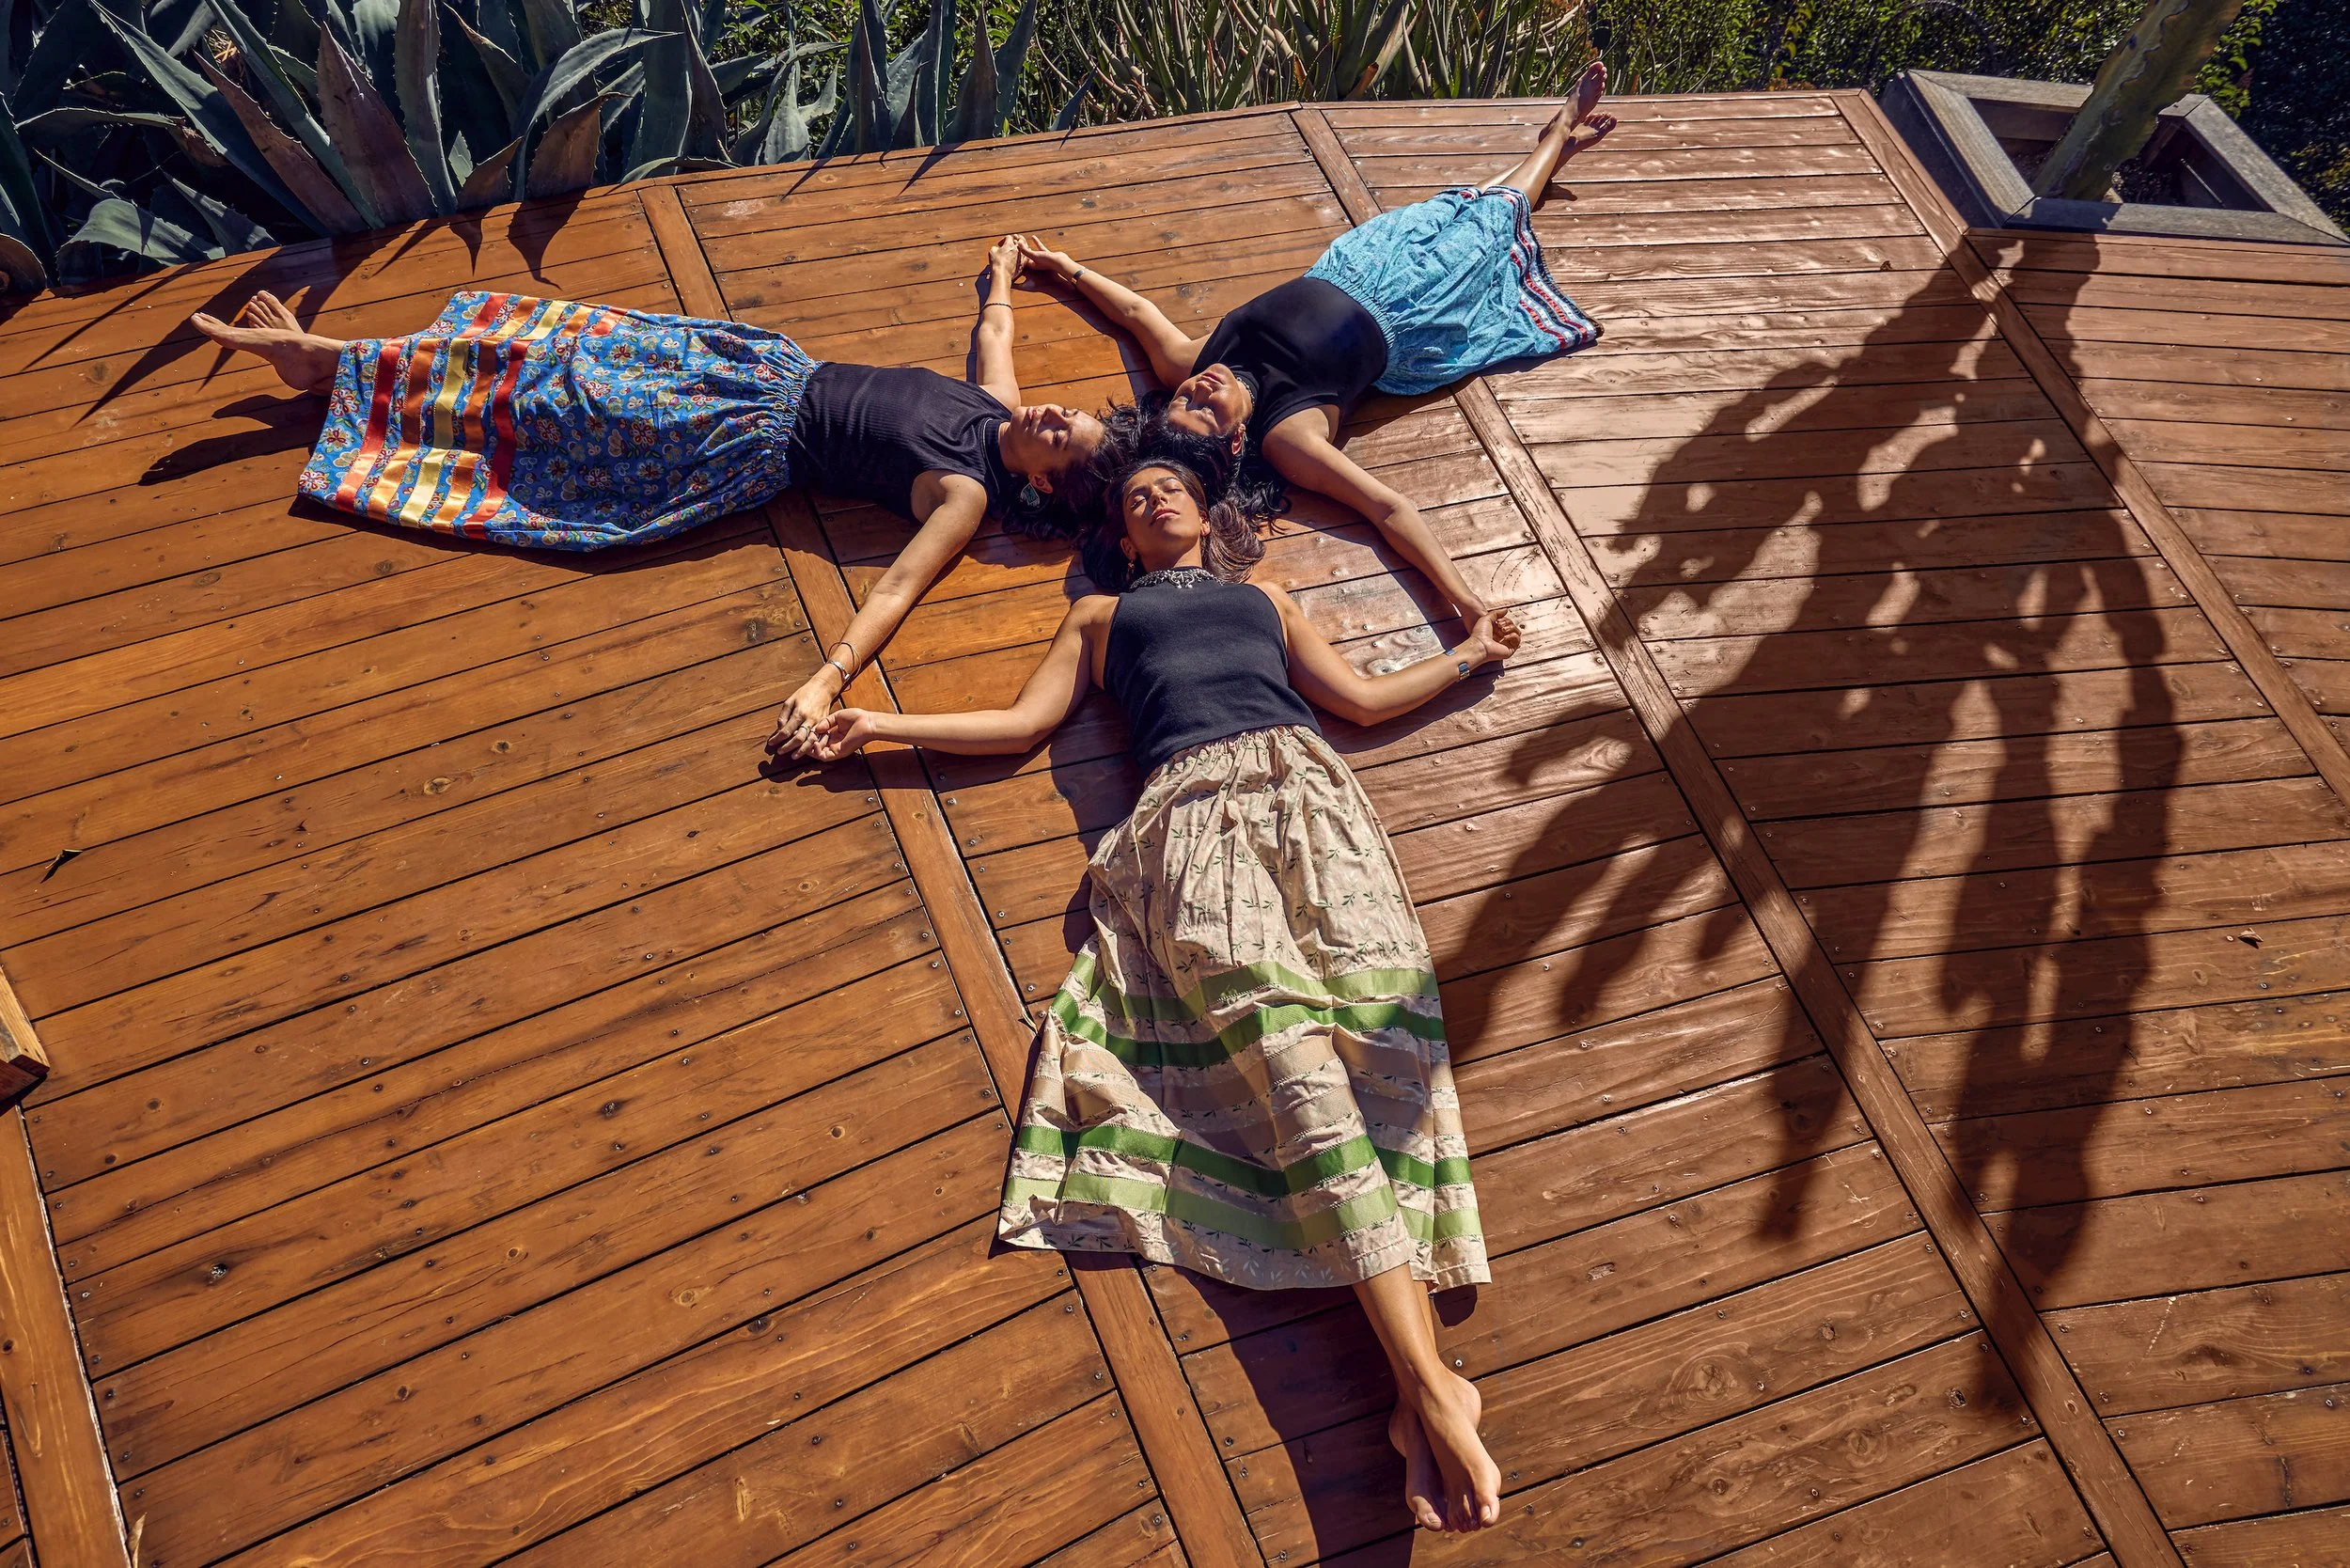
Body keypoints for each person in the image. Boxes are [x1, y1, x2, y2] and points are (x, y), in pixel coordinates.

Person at [805, 457, 1520, 1534]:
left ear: (1207, 513)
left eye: (1169, 485)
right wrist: (883, 727)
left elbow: (1362, 703)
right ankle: (1423, 1385)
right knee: (1294, 1073)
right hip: (1188, 822)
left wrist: (1467, 652)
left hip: (1314, 806)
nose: (1152, 496)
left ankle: (1427, 1390)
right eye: (1133, 495)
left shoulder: (1267, 598)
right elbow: (1017, 726)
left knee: (1382, 1065)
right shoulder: (1098, 617)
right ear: (1121, 539)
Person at [189, 237, 1113, 760]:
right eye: (1069, 413)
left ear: (1040, 479)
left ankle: (340, 379)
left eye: (1064, 434)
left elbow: (899, 589)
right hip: (750, 368)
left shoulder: (960, 494)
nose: (1057, 410)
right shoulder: (994, 411)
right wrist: (1007, 275)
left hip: (741, 436)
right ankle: (352, 360)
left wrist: (829, 675)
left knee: (564, 402)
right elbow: (995, 335)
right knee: (559, 349)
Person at [1009, 61, 1619, 624]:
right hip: (1414, 309)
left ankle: (1545, 155)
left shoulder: (1192, 365)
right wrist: (1465, 601)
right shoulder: (1289, 437)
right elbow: (1385, 509)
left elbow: (1137, 313)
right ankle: (1554, 140)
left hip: (1357, 263)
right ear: (1235, 439)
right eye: (1202, 409)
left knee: (1459, 209)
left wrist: (1065, 268)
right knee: (1493, 218)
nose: (1197, 389)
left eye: (1181, 399)